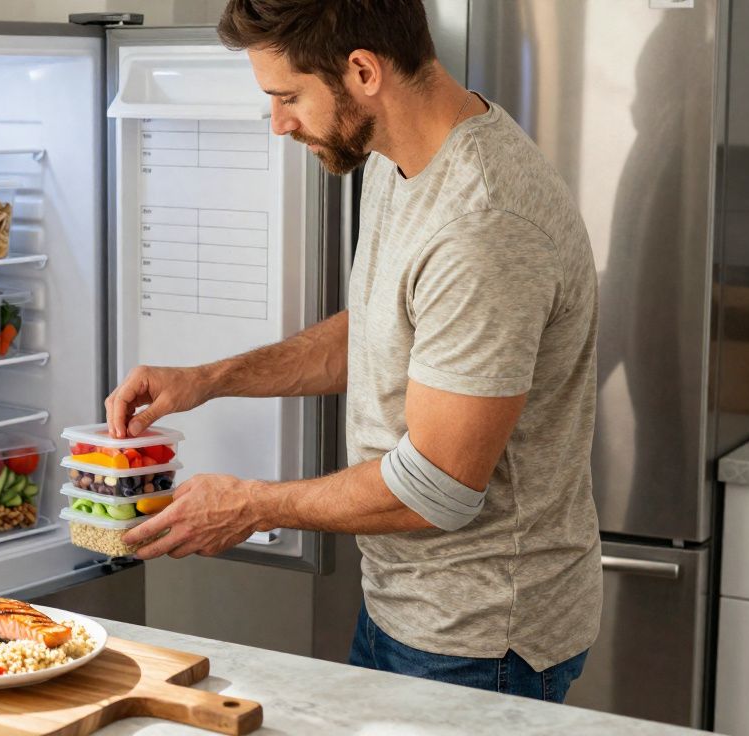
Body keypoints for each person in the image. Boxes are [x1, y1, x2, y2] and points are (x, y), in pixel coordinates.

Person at [105, 0, 602, 703]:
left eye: (286, 96)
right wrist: (210, 379)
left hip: (481, 635)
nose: (279, 122)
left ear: (363, 71)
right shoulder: (399, 158)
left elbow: (438, 487)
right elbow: (380, 329)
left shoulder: (483, 225)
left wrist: (250, 506)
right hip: (405, 601)